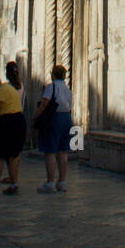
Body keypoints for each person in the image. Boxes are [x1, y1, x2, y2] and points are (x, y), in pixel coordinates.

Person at [34, 64, 73, 193]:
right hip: (67, 118)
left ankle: (50, 182)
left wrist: (36, 116)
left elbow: (45, 103)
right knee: (63, 151)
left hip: (54, 118)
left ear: (53, 74)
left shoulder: (52, 87)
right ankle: (62, 182)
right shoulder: (68, 89)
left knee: (50, 151)